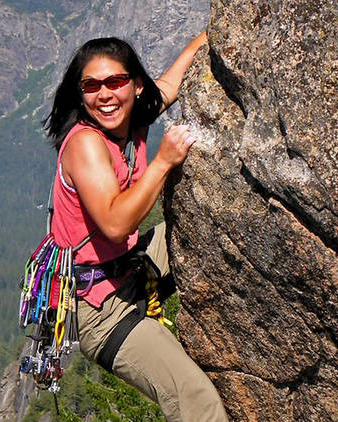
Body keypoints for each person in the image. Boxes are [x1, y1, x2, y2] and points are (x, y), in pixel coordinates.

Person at [43, 34, 228, 421]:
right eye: (91, 86)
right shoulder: (86, 145)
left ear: (135, 85)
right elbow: (114, 223)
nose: (105, 95)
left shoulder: (132, 119)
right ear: (80, 96)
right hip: (99, 309)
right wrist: (162, 162)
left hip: (129, 266)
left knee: (217, 227)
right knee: (198, 402)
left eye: (116, 82)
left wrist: (216, 28)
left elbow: (172, 82)